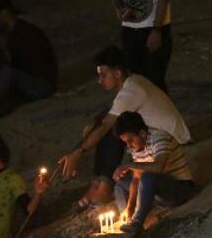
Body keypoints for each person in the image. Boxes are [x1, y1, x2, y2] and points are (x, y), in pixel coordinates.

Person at [58, 46, 190, 209]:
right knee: (102, 127)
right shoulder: (132, 83)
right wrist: (89, 130)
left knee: (111, 132)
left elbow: (106, 124)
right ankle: (97, 184)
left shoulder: (131, 91)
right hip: (156, 136)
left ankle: (104, 187)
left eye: (103, 75)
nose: (100, 81)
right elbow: (104, 117)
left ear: (118, 73)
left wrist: (78, 152)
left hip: (169, 140)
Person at [111, 111, 196, 234]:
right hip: (158, 192)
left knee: (148, 176)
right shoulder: (137, 146)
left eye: (130, 140)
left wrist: (129, 165)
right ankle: (129, 217)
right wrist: (129, 208)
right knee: (120, 184)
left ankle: (137, 223)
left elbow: (158, 167)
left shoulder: (160, 138)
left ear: (142, 133)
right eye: (126, 142)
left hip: (180, 190)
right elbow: (136, 179)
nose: (129, 146)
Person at [0, 0, 57, 99]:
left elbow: (25, 65)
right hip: (41, 82)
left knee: (7, 72)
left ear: (4, 13)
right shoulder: (19, 30)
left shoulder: (22, 33)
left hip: (42, 85)